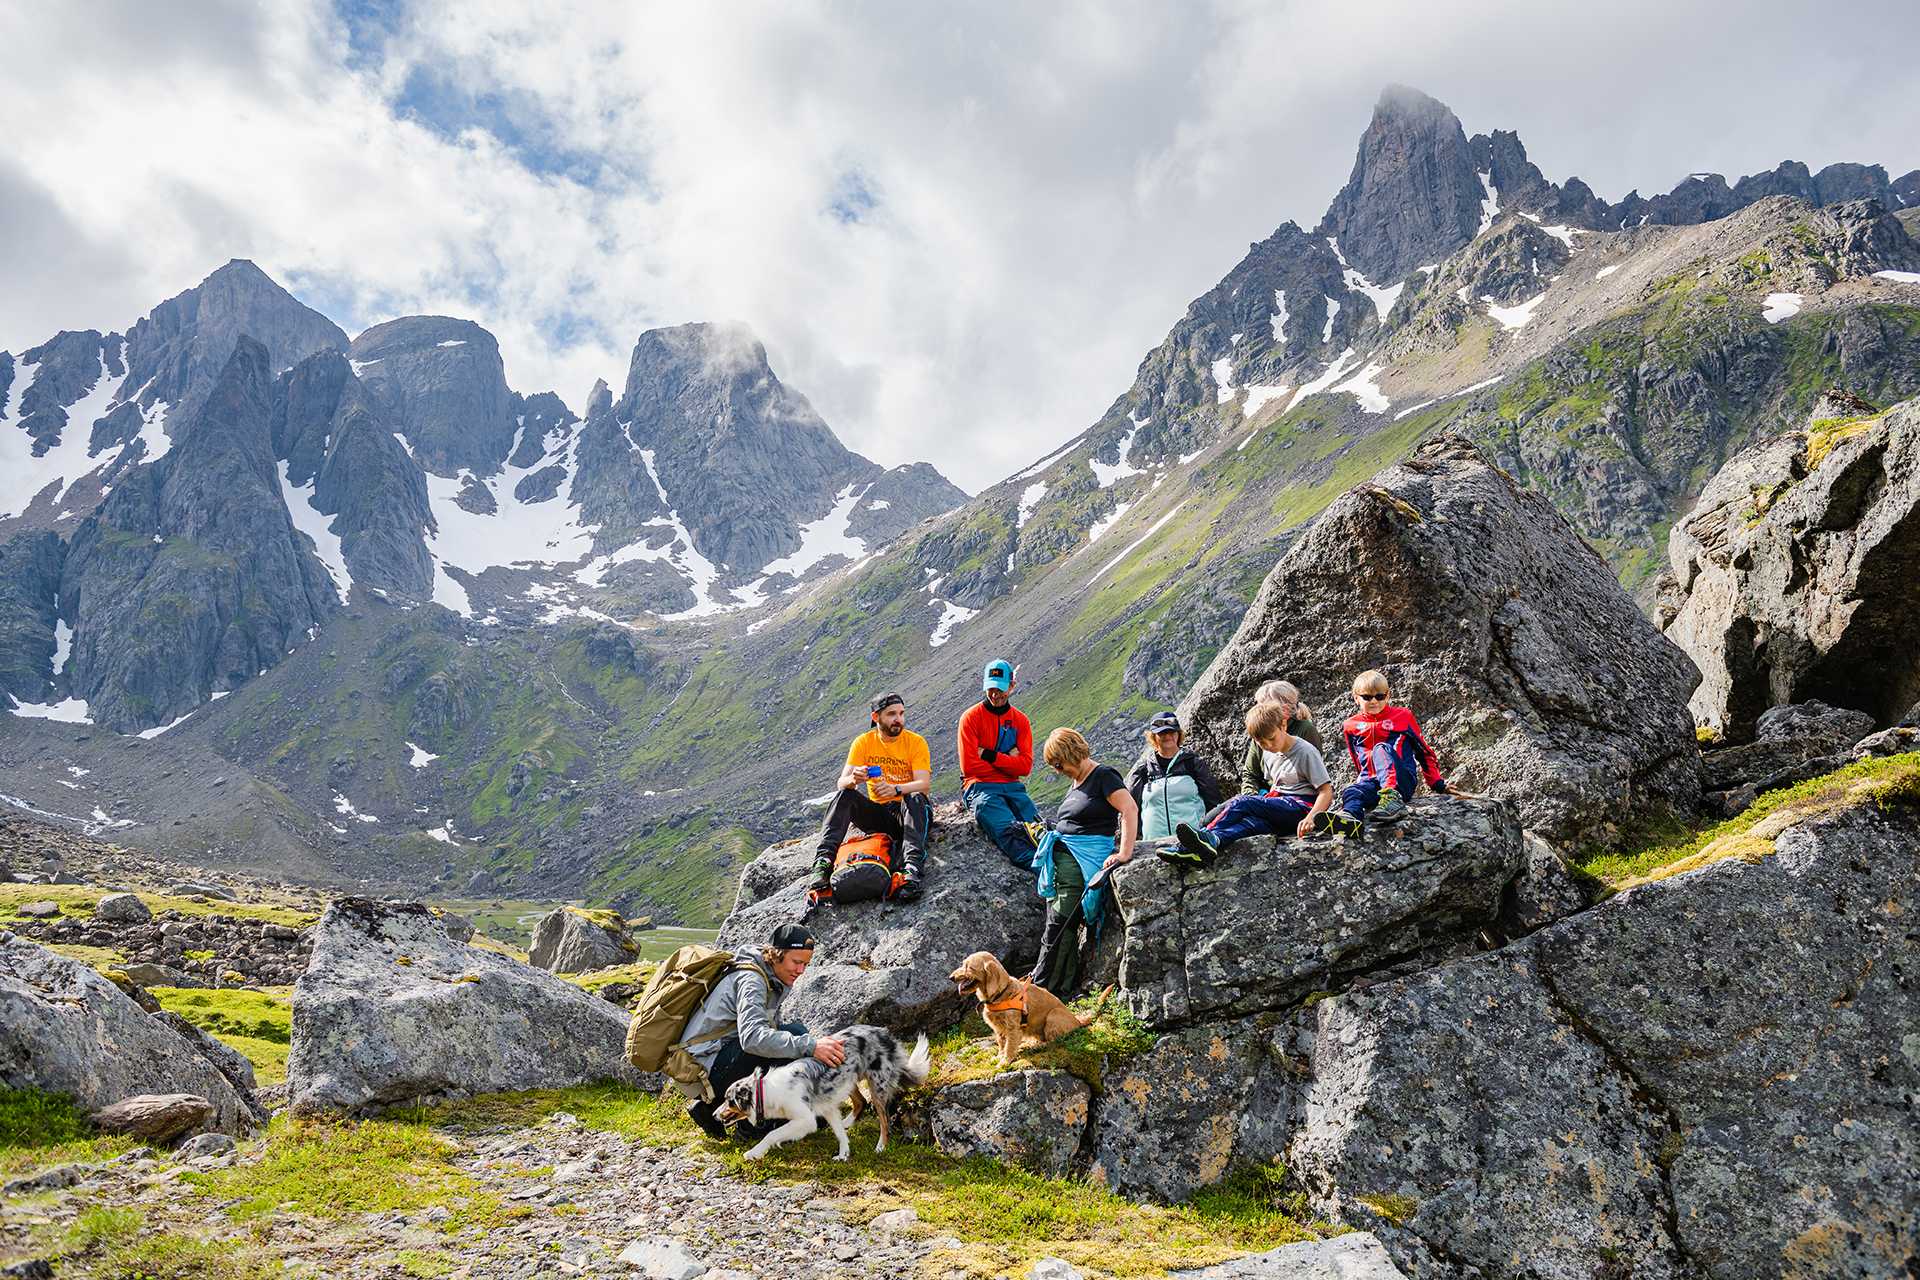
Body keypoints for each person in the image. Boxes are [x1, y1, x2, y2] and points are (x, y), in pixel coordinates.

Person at [682, 922, 846, 1141]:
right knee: (796, 1038)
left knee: (793, 1037)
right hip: (704, 1070)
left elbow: (769, 1030)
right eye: (796, 962)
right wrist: (812, 1046)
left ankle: (710, 1109)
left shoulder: (771, 975)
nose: (801, 971)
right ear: (776, 955)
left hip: (714, 1061)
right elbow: (752, 1039)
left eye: (805, 964)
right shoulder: (752, 980)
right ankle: (752, 1130)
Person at [1028, 728, 1137, 995]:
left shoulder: (1103, 776)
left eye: (1058, 764)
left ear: (1070, 754)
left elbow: (1129, 808)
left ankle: (1041, 993)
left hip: (1080, 869)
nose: (1057, 770)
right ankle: (1058, 991)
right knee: (1058, 929)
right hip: (1062, 868)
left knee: (1058, 927)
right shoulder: (1077, 781)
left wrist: (1124, 853)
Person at [809, 691, 932, 903]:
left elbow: (924, 784)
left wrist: (896, 789)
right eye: (891, 714)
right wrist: (854, 779)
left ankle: (912, 868)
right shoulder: (863, 742)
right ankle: (823, 862)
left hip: (909, 812)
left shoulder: (915, 742)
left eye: (901, 714)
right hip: (880, 816)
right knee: (845, 795)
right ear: (876, 718)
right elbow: (842, 782)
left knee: (915, 796)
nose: (898, 719)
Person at [1173, 702, 1333, 863]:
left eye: (1271, 739)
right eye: (1261, 742)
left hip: (1302, 809)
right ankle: (1209, 843)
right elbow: (1276, 785)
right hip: (1281, 810)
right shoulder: (1269, 752)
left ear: (1283, 725)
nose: (1268, 745)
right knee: (1250, 824)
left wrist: (1311, 818)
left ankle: (1203, 835)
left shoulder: (1306, 752)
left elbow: (1326, 791)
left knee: (1242, 802)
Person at [1330, 668, 1450, 833]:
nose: (1374, 701)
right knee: (1352, 791)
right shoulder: (1351, 725)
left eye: (1379, 697)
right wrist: (1362, 784)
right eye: (1367, 697)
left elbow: (1424, 752)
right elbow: (1358, 760)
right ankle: (1349, 819)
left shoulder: (1403, 716)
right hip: (1373, 783)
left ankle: (1392, 800)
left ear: (1387, 696)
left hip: (1402, 783)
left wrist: (1438, 785)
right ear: (1356, 698)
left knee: (1381, 748)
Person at [959, 659, 1042, 867]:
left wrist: (987, 754)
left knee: (1039, 831)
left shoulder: (1020, 721)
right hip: (980, 787)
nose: (995, 694)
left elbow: (1025, 767)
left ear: (1012, 686)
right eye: (990, 688)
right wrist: (1008, 757)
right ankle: (1040, 869)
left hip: (1014, 787)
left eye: (1000, 689)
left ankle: (1053, 864)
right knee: (1007, 830)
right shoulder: (970, 718)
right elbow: (969, 767)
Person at [1125, 710, 1223, 842]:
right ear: (1153, 736)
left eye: (1171, 731)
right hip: (1154, 844)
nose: (1167, 735)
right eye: (1161, 732)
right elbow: (1131, 810)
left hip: (1194, 842)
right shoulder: (1143, 771)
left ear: (1178, 734)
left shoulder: (1194, 765)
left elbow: (1213, 802)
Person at [1237, 680, 1322, 796]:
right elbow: (1251, 774)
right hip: (1263, 793)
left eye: (1264, 706)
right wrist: (1251, 796)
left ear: (1284, 710)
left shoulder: (1305, 730)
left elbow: (1315, 775)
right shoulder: (1261, 732)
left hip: (1291, 797)